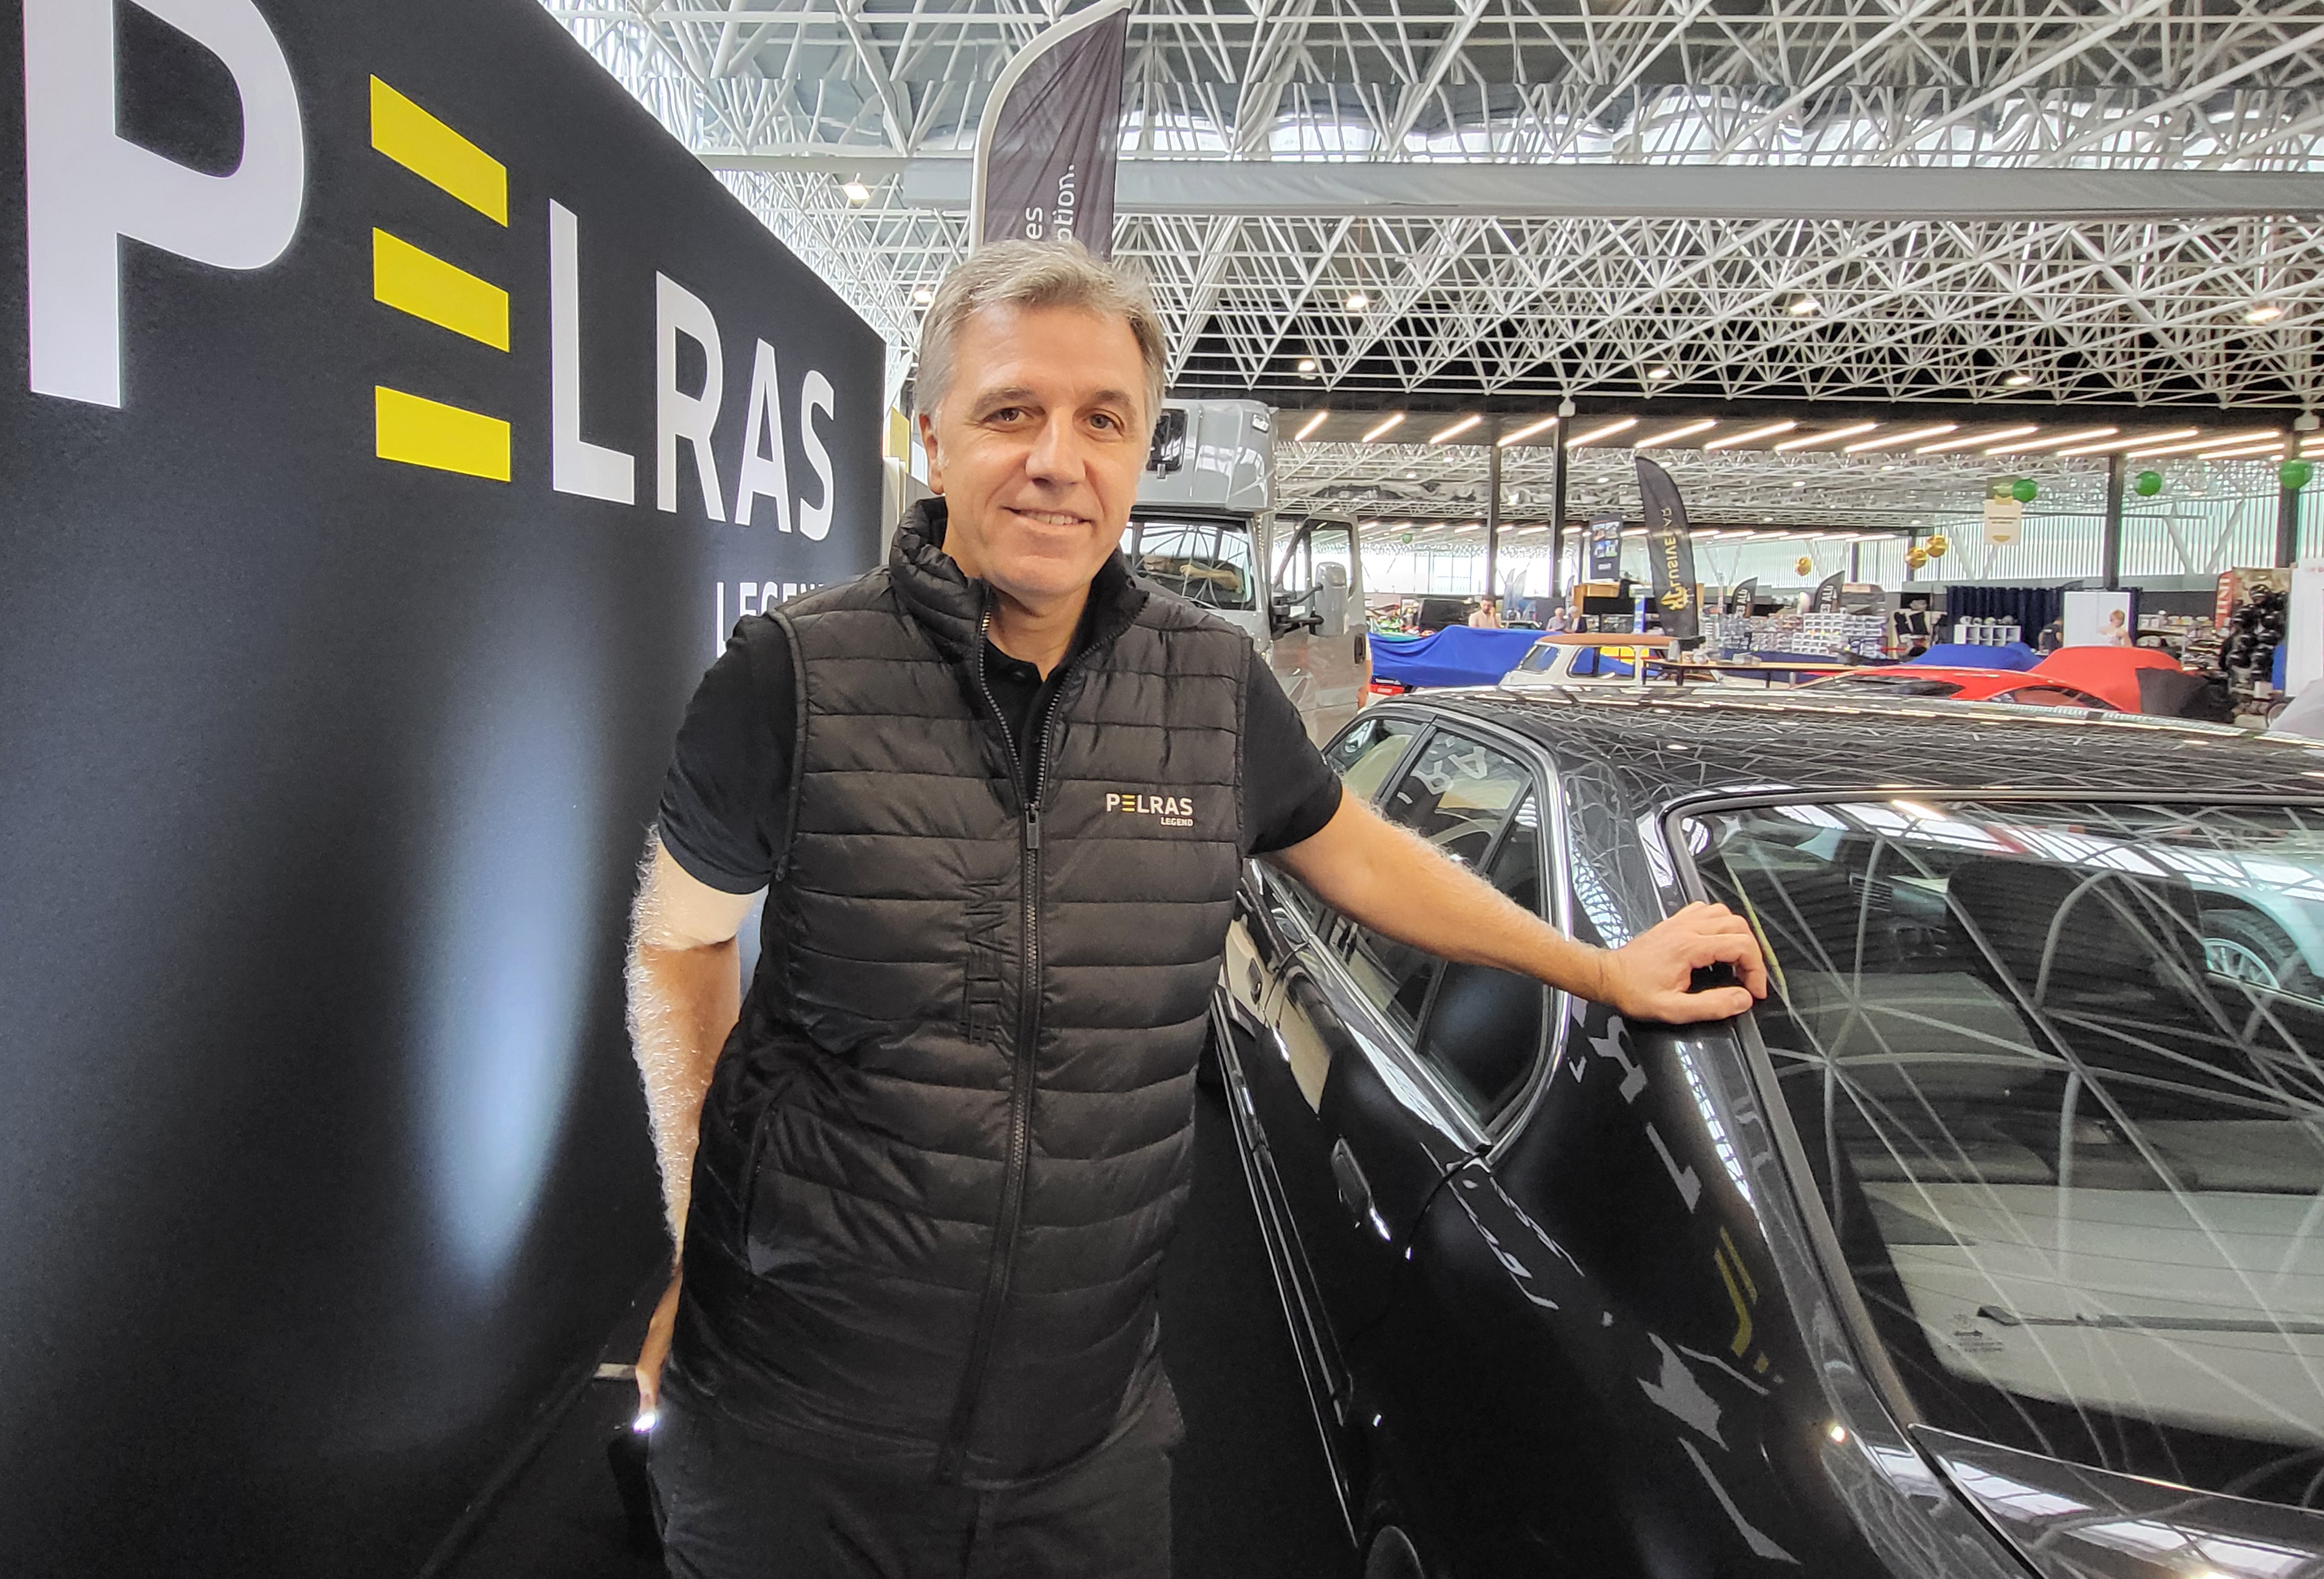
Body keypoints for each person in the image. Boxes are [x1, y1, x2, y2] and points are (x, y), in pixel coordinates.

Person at [624, 238, 1766, 1579]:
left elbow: (1358, 857)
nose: (1058, 458)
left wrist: (1594, 968)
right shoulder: (791, 679)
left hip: (1081, 1442)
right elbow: (678, 942)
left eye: (1101, 419)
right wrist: (699, 1238)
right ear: (930, 440)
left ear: (1138, 448)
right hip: (793, 1421)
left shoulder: (1211, 689)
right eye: (1010, 412)